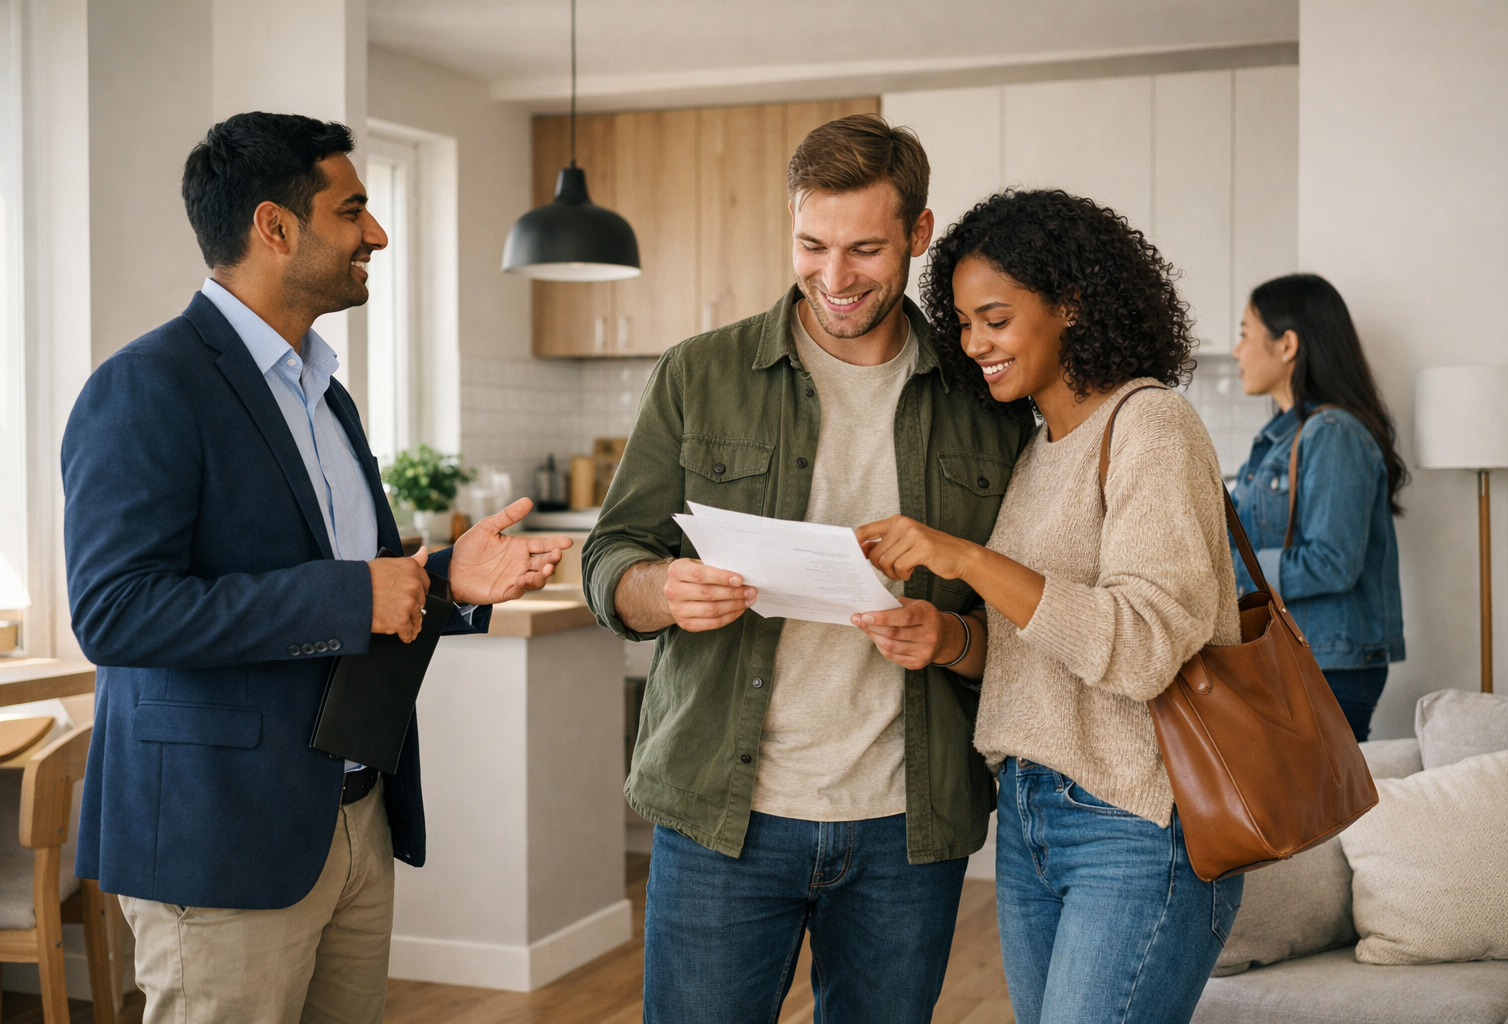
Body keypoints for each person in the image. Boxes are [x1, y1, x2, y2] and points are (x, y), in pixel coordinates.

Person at [62, 111, 570, 1024]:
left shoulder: (323, 392)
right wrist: (354, 592)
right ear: (275, 226)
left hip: (352, 813)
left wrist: (448, 580)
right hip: (223, 838)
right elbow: (115, 612)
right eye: (354, 210)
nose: (376, 233)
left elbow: (363, 585)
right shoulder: (149, 385)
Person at [581, 114, 1028, 1021]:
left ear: (918, 233)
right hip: (721, 815)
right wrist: (662, 590)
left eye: (864, 249)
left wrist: (950, 635)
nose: (834, 278)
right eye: (811, 244)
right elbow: (611, 559)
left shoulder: (984, 398)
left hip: (910, 823)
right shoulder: (698, 375)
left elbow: (1024, 621)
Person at [854, 189, 1244, 1024]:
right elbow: (1046, 643)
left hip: (1137, 821)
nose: (975, 344)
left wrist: (966, 558)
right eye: (962, 323)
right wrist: (952, 637)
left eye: (995, 318)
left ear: (1071, 304)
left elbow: (1140, 649)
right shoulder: (1038, 448)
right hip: (1031, 818)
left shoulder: (1152, 426)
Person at [1229, 274, 1406, 740]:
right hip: (1303, 656)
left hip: (1329, 663)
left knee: (1317, 812)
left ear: (1287, 344)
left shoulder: (1333, 434)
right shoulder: (1279, 439)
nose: (1236, 351)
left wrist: (1230, 574)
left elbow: (1332, 563)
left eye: (1245, 333)